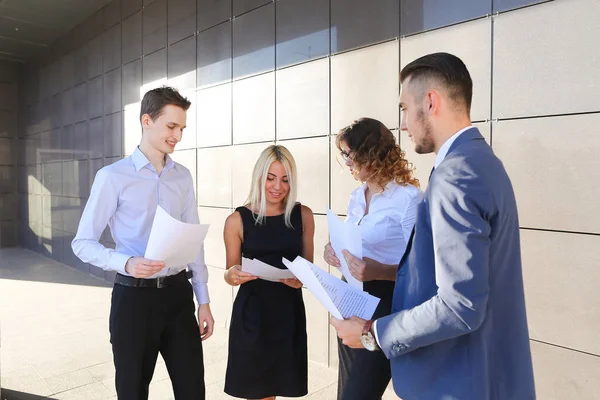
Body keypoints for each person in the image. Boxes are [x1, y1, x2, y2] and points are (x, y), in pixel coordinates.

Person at [330, 53, 536, 400]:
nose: (404, 125)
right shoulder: (483, 162)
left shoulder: (455, 176)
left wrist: (372, 333)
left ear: (430, 102)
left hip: (456, 381)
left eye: (404, 109)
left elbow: (460, 305)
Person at [72, 87, 214, 400]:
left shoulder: (183, 177)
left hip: (179, 298)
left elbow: (194, 241)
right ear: (146, 120)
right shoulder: (113, 177)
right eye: (171, 126)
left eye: (182, 128)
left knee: (193, 392)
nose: (177, 136)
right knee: (132, 393)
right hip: (133, 302)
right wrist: (125, 262)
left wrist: (203, 300)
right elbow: (82, 243)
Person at [324, 117, 422, 400]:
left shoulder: (409, 199)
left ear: (372, 154)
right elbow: (352, 241)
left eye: (350, 155)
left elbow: (421, 268)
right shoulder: (357, 195)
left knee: (359, 393)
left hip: (384, 304)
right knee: (348, 390)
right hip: (350, 300)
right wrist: (332, 251)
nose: (347, 163)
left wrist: (379, 271)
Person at [223, 145, 315, 400]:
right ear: (259, 177)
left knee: (277, 388)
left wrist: (301, 280)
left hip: (289, 314)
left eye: (285, 179)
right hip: (252, 315)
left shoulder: (303, 216)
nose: (278, 186)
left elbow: (309, 269)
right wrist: (233, 274)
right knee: (257, 393)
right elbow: (230, 271)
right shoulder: (236, 220)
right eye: (270, 178)